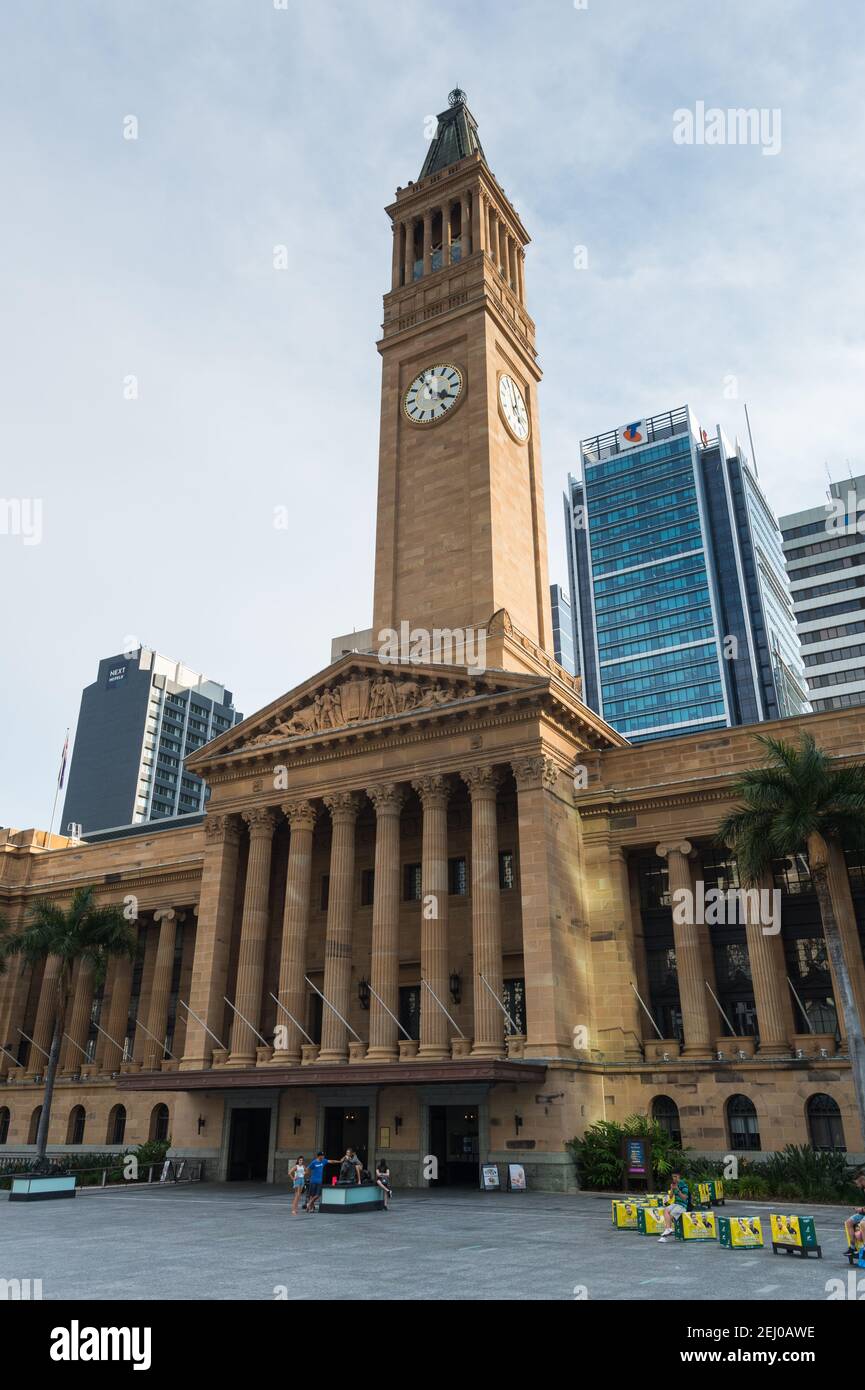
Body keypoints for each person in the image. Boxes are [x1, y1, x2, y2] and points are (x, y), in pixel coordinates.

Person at [658, 1171, 691, 1241]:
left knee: (670, 1215)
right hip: (676, 1204)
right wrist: (672, 1189)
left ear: (679, 1176)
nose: (674, 1178)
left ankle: (664, 1237)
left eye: (676, 1176)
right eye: (673, 1176)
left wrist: (677, 1189)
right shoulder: (674, 1184)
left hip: (683, 1205)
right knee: (666, 1210)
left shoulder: (684, 1185)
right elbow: (670, 1197)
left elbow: (684, 1198)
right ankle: (668, 1229)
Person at [844, 1170, 865, 1254]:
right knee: (849, 1222)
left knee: (863, 1224)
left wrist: (861, 1209)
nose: (857, 1185)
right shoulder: (863, 1189)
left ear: (862, 1180)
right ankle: (852, 1248)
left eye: (857, 1183)